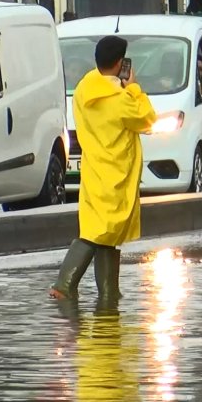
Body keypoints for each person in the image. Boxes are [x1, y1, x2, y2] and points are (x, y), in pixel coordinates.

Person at [49, 36, 157, 304]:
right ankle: (65, 283)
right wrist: (133, 88)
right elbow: (147, 119)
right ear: (121, 63)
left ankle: (109, 292)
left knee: (107, 231)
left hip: (94, 167)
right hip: (116, 171)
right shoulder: (120, 98)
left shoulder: (86, 87)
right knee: (100, 231)